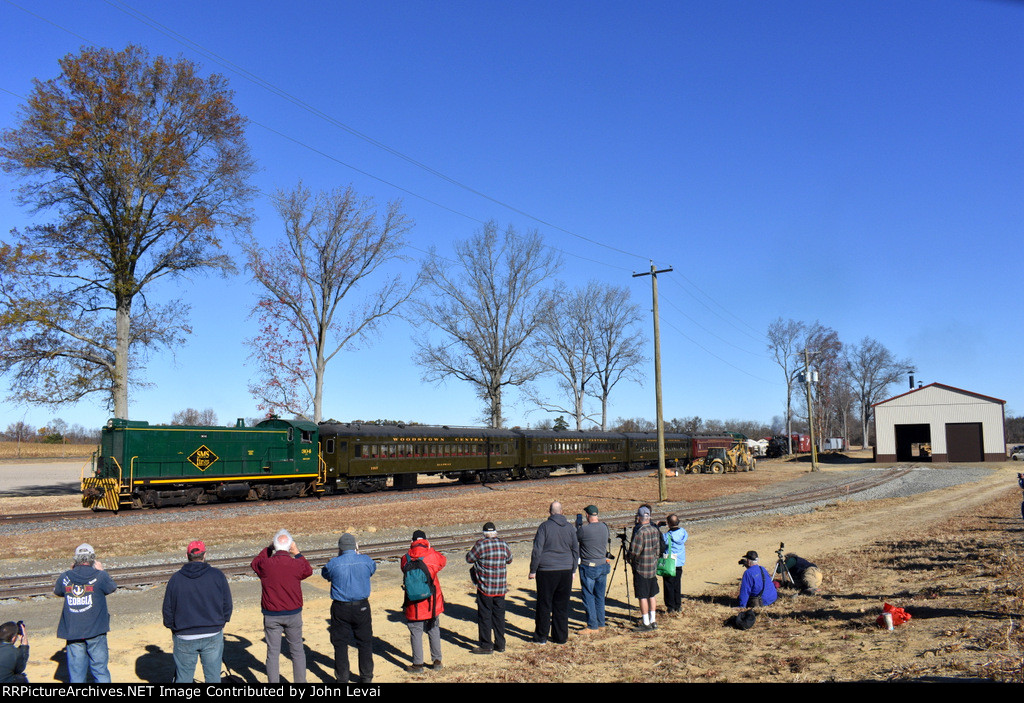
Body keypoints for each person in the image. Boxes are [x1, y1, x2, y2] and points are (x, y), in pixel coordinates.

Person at [162, 540, 233, 683]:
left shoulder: (175, 579)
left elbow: (167, 610)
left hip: (184, 635)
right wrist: (219, 623)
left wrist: (174, 628)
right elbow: (227, 605)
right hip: (212, 632)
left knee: (183, 678)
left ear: (187, 556)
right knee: (213, 677)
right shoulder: (217, 575)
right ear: (204, 555)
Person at [250, 529, 313, 683]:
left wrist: (269, 548)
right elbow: (308, 570)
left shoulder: (265, 564)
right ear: (290, 545)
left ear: (275, 546)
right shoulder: (296, 564)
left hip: (271, 615)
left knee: (272, 652)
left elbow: (254, 563)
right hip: (293, 613)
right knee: (297, 651)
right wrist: (297, 552)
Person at [54, 543, 117, 683]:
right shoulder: (100, 576)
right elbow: (112, 587)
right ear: (93, 559)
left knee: (76, 673)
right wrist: (102, 570)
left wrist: (72, 572)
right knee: (100, 670)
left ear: (75, 559)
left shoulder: (65, 577)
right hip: (96, 630)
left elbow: (58, 591)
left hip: (73, 630)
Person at [321, 533, 377, 684]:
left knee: (340, 643)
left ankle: (342, 678)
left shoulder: (334, 563)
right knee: (365, 641)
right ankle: (366, 677)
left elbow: (325, 574)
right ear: (355, 546)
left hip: (341, 607)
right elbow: (372, 569)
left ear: (340, 548)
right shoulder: (365, 560)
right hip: (362, 606)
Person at [528, 501, 579, 644]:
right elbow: (575, 549)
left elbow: (537, 550)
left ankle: (541, 637)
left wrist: (533, 570)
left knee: (544, 605)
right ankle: (561, 637)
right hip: (565, 570)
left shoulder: (544, 527)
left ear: (549, 512)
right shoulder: (570, 528)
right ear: (562, 511)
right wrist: (573, 569)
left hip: (546, 570)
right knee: (561, 605)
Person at [401, 530, 446, 673]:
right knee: (433, 628)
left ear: (412, 541)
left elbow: (404, 569)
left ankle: (418, 664)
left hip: (413, 603)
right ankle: (437, 660)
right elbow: (442, 561)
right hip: (431, 602)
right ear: (426, 540)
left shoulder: (405, 558)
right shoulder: (432, 555)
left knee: (416, 631)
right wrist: (430, 548)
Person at [465, 521, 513, 654]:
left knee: (485, 616)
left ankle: (486, 645)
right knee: (499, 616)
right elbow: (510, 559)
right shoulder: (503, 544)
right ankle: (500, 644)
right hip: (500, 587)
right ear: (495, 532)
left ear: (484, 534)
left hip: (485, 588)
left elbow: (469, 559)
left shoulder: (481, 545)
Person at [576, 505, 610, 631]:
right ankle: (601, 623)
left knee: (588, 595)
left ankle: (592, 625)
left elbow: (575, 540)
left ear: (587, 515)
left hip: (588, 567)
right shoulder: (604, 527)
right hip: (602, 565)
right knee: (600, 596)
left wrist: (578, 527)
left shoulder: (584, 530)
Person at [627, 506, 662, 631]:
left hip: (641, 568)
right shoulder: (654, 530)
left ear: (640, 517)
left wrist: (629, 558)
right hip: (652, 567)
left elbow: (635, 551)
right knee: (652, 595)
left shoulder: (640, 532)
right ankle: (653, 620)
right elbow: (658, 550)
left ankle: (645, 622)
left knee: (642, 596)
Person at [661, 514, 688, 614]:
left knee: (668, 585)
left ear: (668, 524)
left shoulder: (667, 536)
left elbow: (661, 541)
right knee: (677, 584)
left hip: (669, 563)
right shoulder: (683, 532)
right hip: (679, 563)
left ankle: (670, 606)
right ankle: (678, 605)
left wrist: (657, 526)